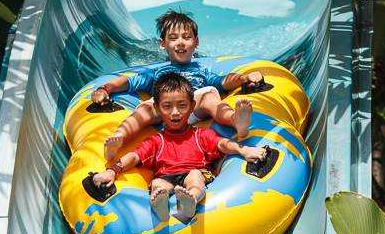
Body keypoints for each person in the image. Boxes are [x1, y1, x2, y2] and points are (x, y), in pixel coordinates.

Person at [91, 9, 263, 160]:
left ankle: (236, 120)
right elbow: (128, 81)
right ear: (162, 44)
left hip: (191, 106)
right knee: (144, 109)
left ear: (196, 42)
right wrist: (105, 89)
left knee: (209, 97)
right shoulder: (156, 73)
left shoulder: (201, 72)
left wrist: (243, 78)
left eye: (186, 37)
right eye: (173, 38)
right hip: (163, 109)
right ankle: (118, 139)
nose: (180, 42)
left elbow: (224, 81)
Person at [92, 73, 266, 222]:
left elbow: (222, 144)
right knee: (158, 184)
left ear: (192, 107)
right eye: (167, 107)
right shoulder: (156, 140)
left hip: (195, 172)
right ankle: (159, 203)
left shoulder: (200, 135)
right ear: (157, 109)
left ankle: (191, 199)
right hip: (166, 177)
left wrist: (244, 150)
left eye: (182, 106)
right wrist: (113, 170)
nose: (175, 112)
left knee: (195, 177)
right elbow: (135, 156)